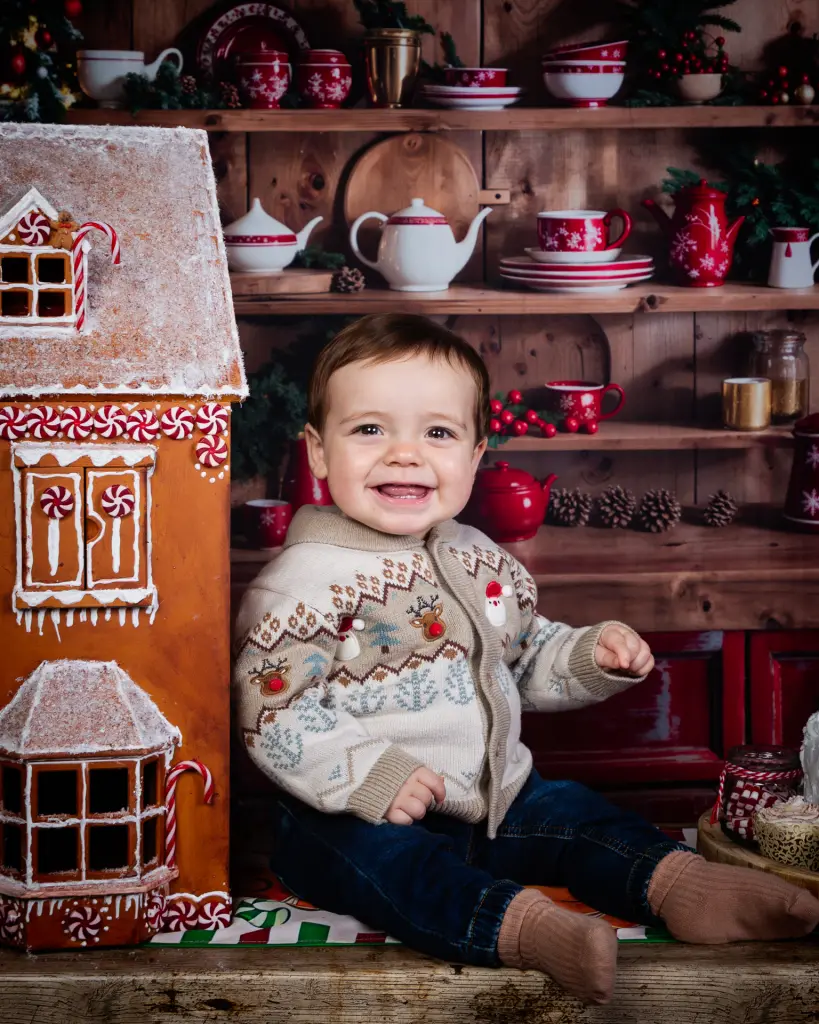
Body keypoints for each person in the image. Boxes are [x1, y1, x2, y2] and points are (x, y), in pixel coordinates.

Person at [233, 313, 819, 1005]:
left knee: (578, 816)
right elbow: (274, 713)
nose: (403, 453)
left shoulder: (477, 558)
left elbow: (521, 653)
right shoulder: (302, 583)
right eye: (369, 429)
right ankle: (529, 929)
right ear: (318, 452)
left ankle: (684, 886)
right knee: (395, 871)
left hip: (497, 800)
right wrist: (370, 774)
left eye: (438, 432)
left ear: (475, 454)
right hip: (349, 816)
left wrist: (585, 653)